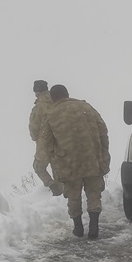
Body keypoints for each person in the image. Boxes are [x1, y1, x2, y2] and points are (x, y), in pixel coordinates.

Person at [40, 83, 110, 239]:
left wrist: (56, 158)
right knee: (94, 194)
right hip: (92, 159)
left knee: (73, 195)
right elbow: (103, 132)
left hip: (68, 163)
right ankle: (94, 227)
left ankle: (78, 228)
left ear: (52, 98)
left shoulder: (51, 115)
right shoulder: (87, 108)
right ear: (67, 93)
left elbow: (46, 144)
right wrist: (103, 154)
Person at [28, 79, 60, 194]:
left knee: (38, 167)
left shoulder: (39, 107)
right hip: (60, 141)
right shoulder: (57, 102)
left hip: (44, 143)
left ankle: (53, 187)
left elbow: (34, 127)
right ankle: (62, 192)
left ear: (36, 92)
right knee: (58, 169)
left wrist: (34, 137)